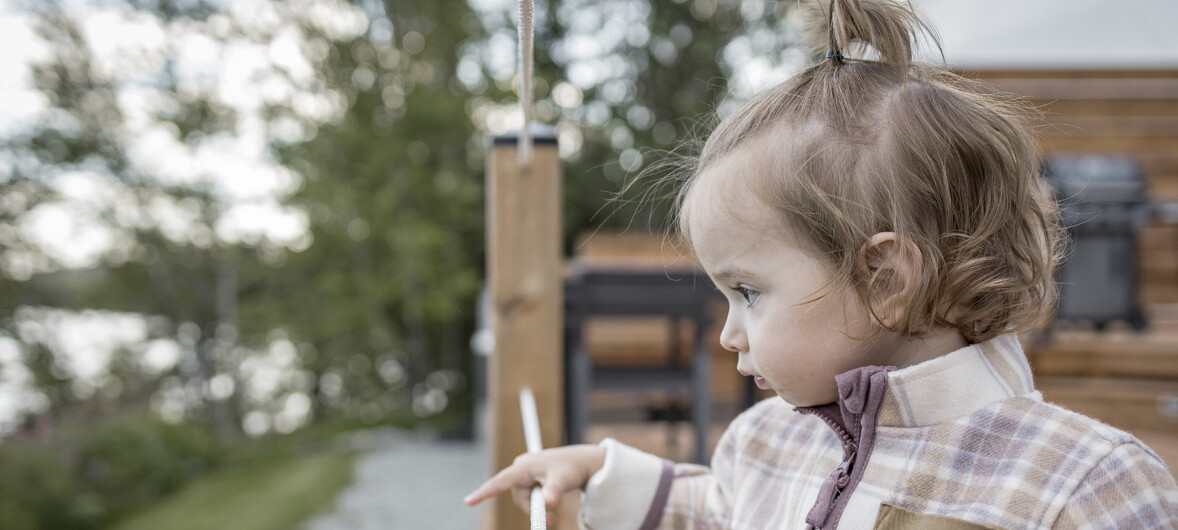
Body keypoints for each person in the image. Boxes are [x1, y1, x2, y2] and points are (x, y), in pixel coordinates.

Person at [464, 0, 1178, 527]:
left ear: (886, 280)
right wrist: (597, 470)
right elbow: (716, 509)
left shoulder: (1083, 486)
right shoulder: (767, 441)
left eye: (748, 292)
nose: (729, 335)